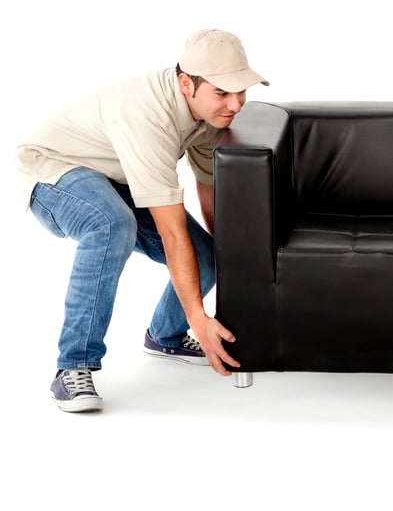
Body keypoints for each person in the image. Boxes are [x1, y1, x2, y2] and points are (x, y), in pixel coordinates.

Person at [16, 29, 268, 412]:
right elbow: (169, 232)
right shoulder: (146, 114)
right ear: (187, 83)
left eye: (241, 91)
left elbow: (209, 188)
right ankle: (72, 367)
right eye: (222, 92)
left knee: (205, 256)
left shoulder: (210, 117)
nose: (235, 104)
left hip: (120, 178)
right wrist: (200, 316)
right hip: (55, 171)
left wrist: (226, 254)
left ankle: (166, 335)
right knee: (111, 224)